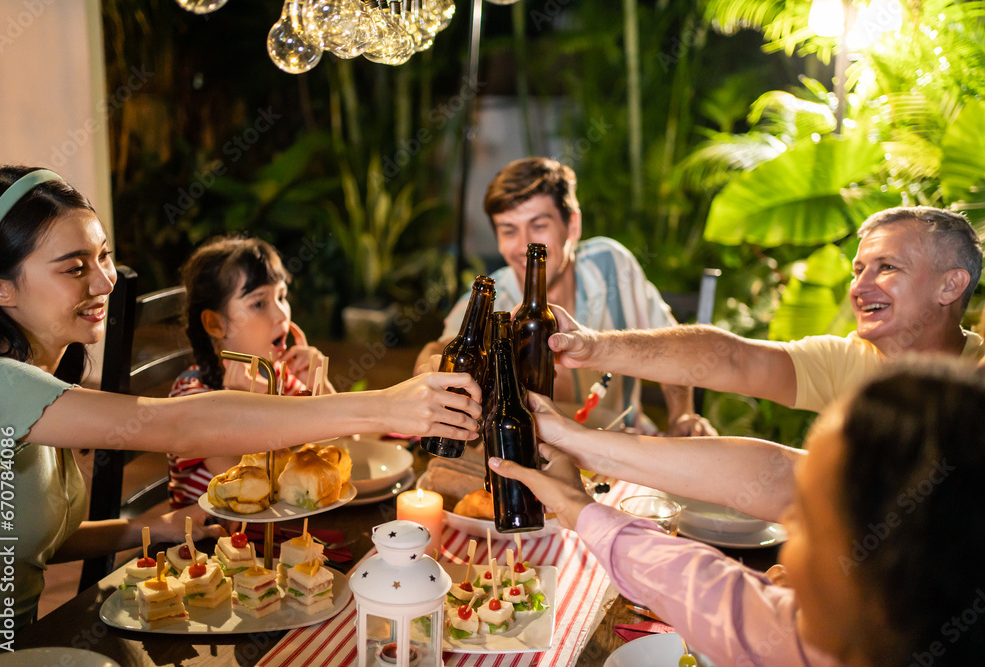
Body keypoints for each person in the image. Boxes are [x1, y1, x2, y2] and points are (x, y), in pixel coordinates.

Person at [0, 166, 481, 648]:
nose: (105, 281)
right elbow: (181, 425)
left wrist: (146, 528)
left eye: (103, 257)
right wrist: (383, 406)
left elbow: (23, 539)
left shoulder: (38, 386)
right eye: (75, 267)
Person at [491, 359, 985, 665]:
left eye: (806, 520)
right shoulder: (837, 633)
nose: (782, 555)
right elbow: (715, 593)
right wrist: (579, 503)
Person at [545, 206, 984, 413]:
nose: (859, 287)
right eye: (858, 270)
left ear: (951, 285)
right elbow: (732, 358)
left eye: (887, 267)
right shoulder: (848, 360)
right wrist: (590, 345)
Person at [415, 157, 712, 436]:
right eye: (509, 230)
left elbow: (672, 345)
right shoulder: (492, 298)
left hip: (624, 446)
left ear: (572, 226)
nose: (523, 245)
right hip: (531, 456)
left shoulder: (611, 265)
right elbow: (441, 348)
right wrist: (430, 366)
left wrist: (681, 415)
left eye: (539, 225)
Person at [166, 236, 337, 508]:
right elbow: (252, 487)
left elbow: (335, 452)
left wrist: (318, 387)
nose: (282, 314)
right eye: (258, 304)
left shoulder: (276, 375)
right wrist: (256, 399)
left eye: (282, 296)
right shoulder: (194, 395)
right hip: (211, 540)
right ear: (216, 324)